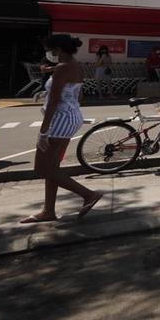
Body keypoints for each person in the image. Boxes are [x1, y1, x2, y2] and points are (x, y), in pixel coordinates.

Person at [21, 34, 102, 224]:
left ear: (57, 49)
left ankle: (89, 195)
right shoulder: (75, 66)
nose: (49, 53)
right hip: (71, 118)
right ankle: (48, 210)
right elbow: (78, 96)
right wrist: (48, 93)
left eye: (50, 49)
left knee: (42, 168)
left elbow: (54, 102)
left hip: (59, 120)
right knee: (52, 168)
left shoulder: (62, 68)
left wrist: (43, 131)